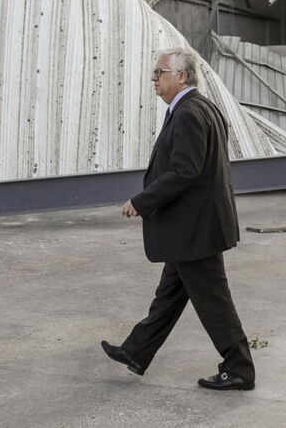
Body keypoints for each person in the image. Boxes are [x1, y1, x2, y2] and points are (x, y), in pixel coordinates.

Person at [100, 47, 255, 391]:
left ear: (181, 76)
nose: (154, 79)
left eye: (160, 72)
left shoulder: (187, 113)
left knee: (214, 302)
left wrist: (142, 201)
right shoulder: (203, 107)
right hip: (195, 228)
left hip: (194, 230)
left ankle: (240, 369)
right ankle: (136, 351)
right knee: (168, 295)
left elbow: (185, 171)